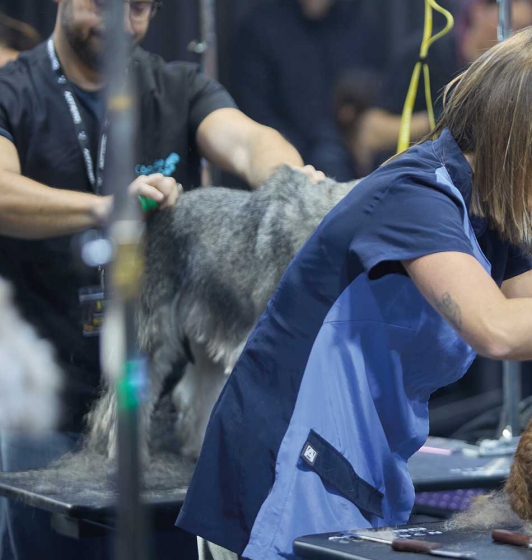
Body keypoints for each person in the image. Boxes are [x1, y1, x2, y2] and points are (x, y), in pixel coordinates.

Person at [177, 25, 532, 560]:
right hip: (282, 467)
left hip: (349, 465)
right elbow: (497, 330)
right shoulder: (415, 194)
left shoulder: (480, 217)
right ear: (516, 126)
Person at [0, 0, 321, 557]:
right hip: (44, 409)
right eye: (102, 6)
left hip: (159, 425)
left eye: (140, 9)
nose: (122, 25)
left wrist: (290, 184)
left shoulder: (177, 87)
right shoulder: (13, 91)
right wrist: (105, 208)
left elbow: (248, 142)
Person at [356, 0, 532, 166]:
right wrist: (444, 120)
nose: (514, 37)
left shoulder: (517, 77)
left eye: (524, 30)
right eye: (512, 26)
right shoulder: (425, 53)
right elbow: (371, 133)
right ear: (478, 9)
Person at [233, 0, 384, 181]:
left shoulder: (359, 23)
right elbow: (255, 111)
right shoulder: (260, 27)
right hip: (291, 158)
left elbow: (377, 91)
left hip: (354, 152)